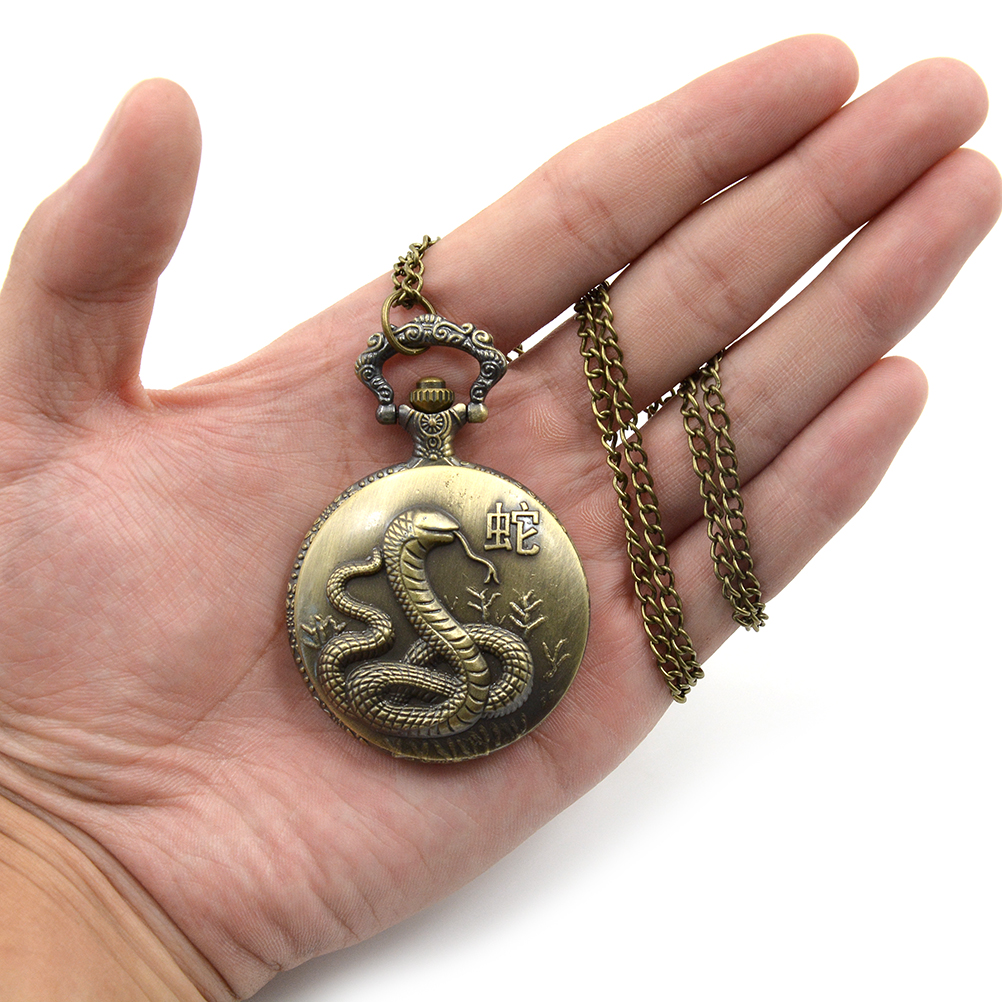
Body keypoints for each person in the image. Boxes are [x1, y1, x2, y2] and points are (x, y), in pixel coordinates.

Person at [0, 34, 997, 1001]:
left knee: (479, 654)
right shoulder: (397, 549)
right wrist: (54, 832)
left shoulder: (424, 546)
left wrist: (88, 887)